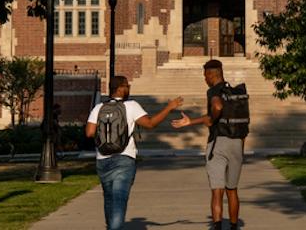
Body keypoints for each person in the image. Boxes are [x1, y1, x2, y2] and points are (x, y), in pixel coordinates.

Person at [85, 76, 183, 230]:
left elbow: (89, 132)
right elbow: (150, 124)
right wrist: (169, 107)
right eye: (127, 85)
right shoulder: (131, 106)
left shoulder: (98, 108)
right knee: (119, 200)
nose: (128, 88)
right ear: (120, 88)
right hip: (124, 158)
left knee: (109, 199)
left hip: (102, 159)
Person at [172, 59, 244, 230]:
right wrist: (195, 121)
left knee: (217, 191)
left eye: (205, 76)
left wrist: (212, 119)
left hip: (218, 143)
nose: (205, 79)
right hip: (236, 143)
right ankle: (234, 226)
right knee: (232, 190)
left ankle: (217, 226)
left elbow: (217, 107)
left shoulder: (214, 91)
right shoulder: (235, 92)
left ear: (212, 75)